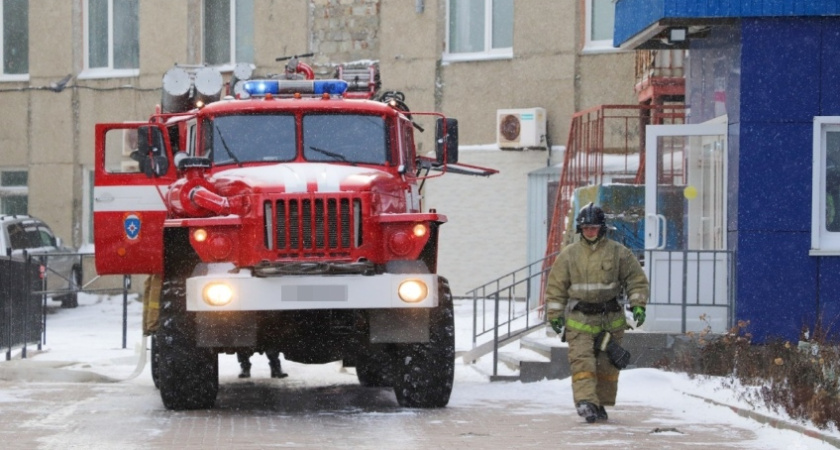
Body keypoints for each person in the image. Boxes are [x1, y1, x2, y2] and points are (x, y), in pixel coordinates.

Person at [544, 203, 649, 423]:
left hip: (610, 321)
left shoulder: (618, 252)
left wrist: (638, 303)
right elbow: (556, 287)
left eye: (593, 227)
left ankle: (599, 404)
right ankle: (585, 403)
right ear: (580, 229)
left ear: (602, 228)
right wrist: (554, 315)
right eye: (586, 227)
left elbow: (635, 279)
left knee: (606, 367)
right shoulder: (569, 255)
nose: (590, 231)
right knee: (582, 363)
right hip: (579, 321)